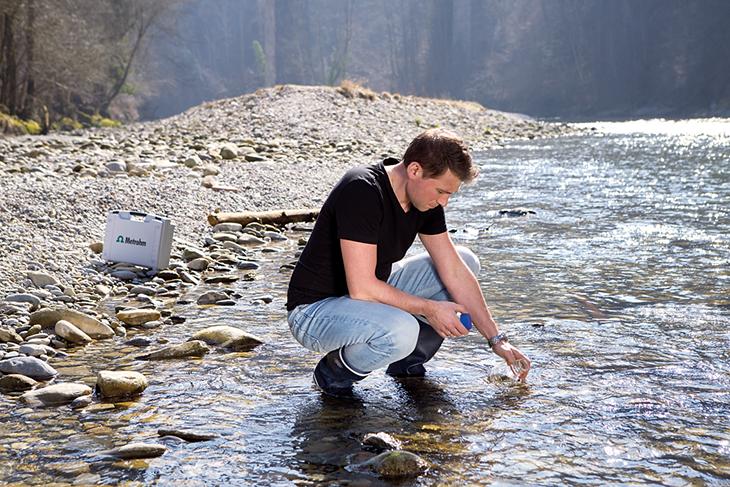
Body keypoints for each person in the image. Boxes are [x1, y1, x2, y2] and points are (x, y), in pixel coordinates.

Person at [286, 128, 531, 396]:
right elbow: (362, 288)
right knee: (403, 329)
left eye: (450, 194)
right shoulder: (363, 189)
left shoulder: (426, 201)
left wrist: (497, 340)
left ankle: (405, 366)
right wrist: (430, 309)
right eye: (441, 191)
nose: (444, 202)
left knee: (465, 260)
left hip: (368, 294)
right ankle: (333, 375)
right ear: (415, 170)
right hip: (315, 312)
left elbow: (454, 271)